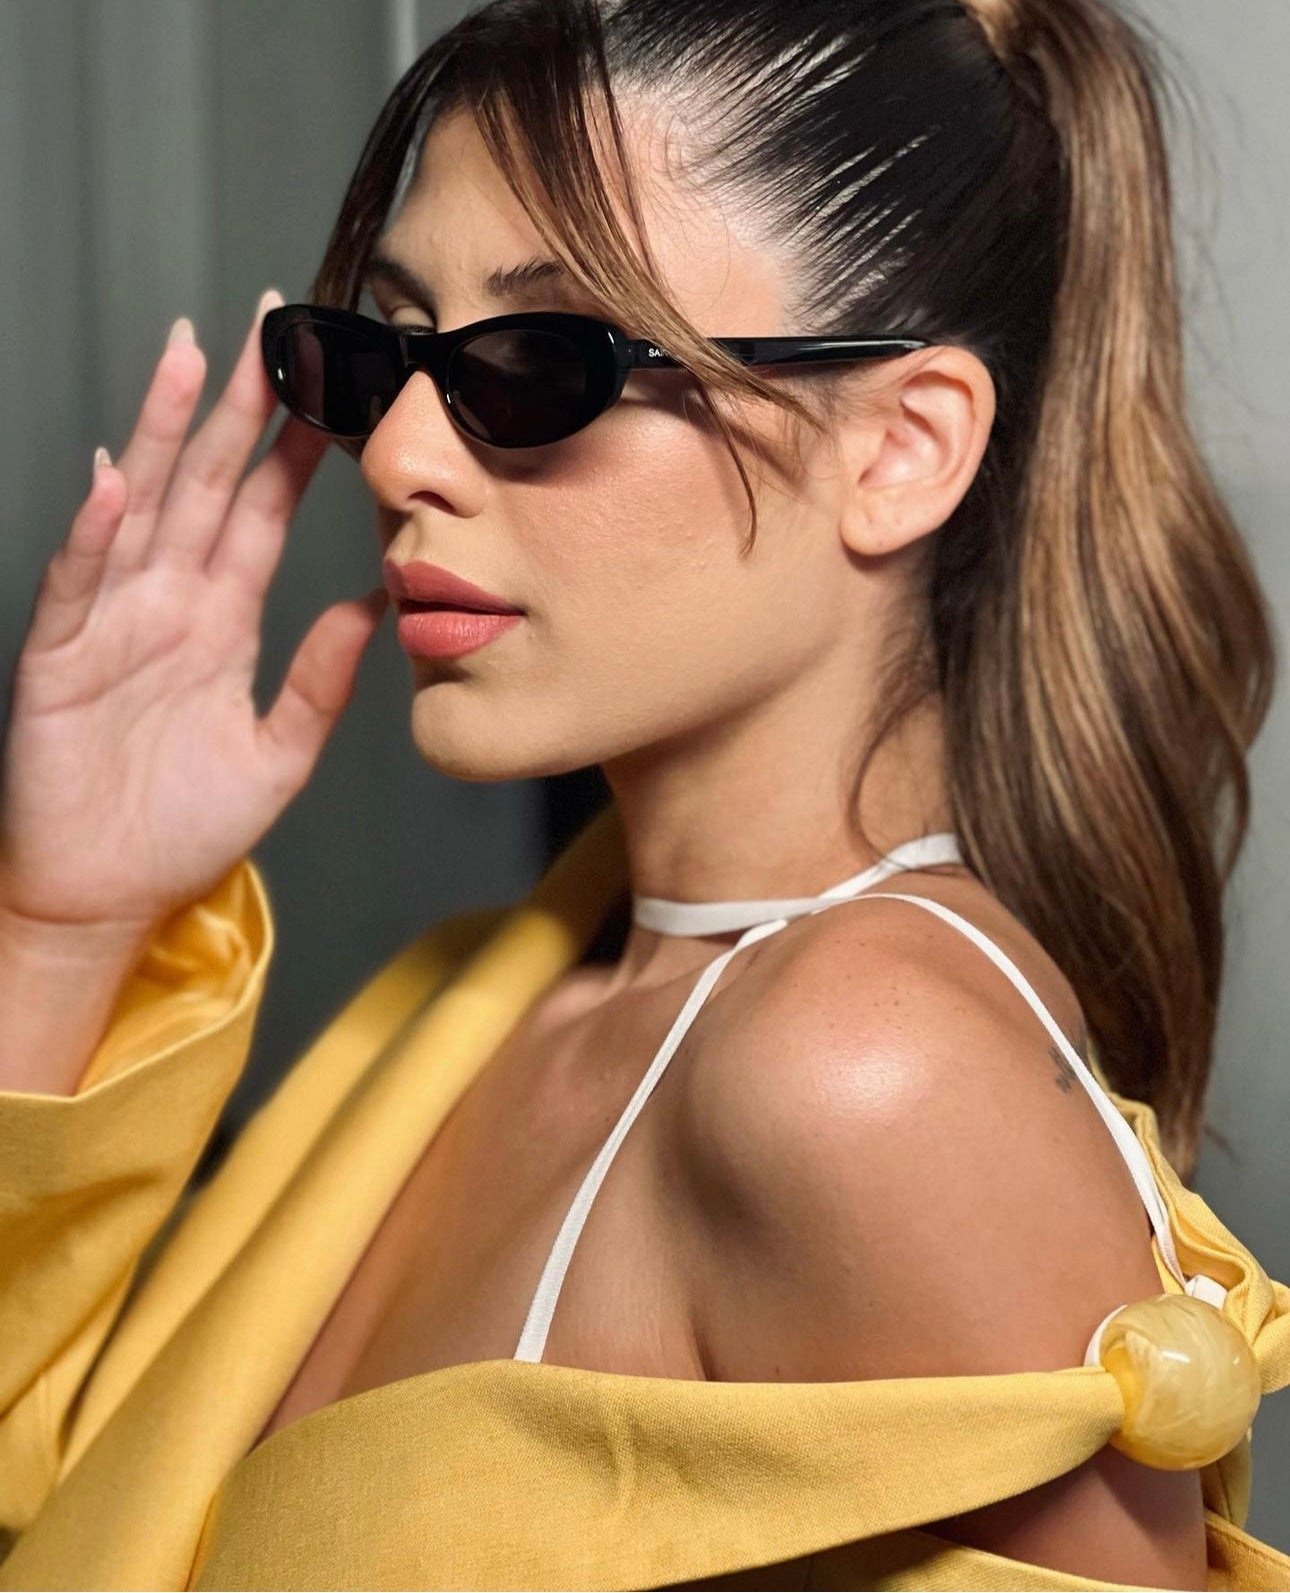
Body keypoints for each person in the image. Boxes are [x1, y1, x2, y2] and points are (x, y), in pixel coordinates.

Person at [2, 0, 1289, 1586]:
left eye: (538, 362)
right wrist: (67, 925)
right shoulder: (474, 1001)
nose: (395, 457)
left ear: (900, 448)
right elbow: (61, 1497)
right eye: (379, 352)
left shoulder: (861, 1072)